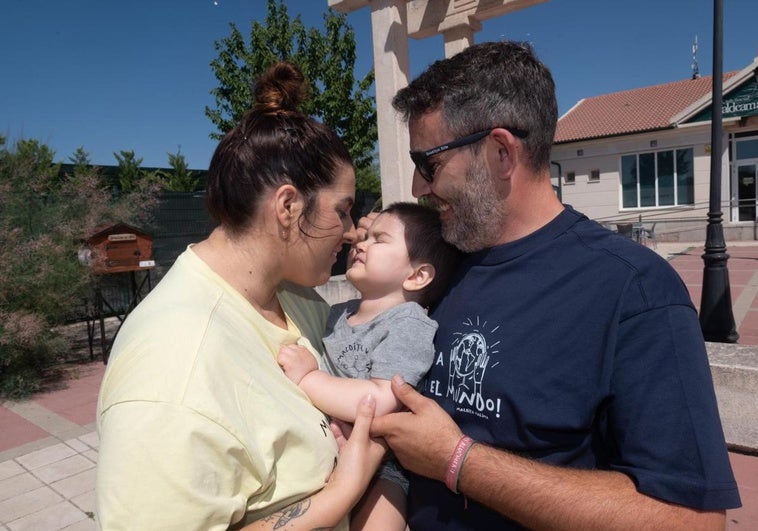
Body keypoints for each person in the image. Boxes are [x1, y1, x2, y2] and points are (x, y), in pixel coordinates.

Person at [368, 41, 742, 530]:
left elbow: (692, 520)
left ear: (500, 152)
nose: (418, 187)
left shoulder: (632, 290)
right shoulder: (440, 264)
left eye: (428, 163)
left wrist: (457, 460)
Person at [95, 62, 385, 531]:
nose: (352, 233)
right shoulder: (175, 369)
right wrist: (340, 494)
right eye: (344, 211)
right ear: (289, 207)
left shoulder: (297, 300)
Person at [277, 202, 461, 531]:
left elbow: (381, 398)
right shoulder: (336, 313)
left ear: (417, 276)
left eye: (379, 239)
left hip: (382, 467)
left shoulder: (408, 324)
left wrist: (308, 378)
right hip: (323, 453)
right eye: (364, 237)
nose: (360, 243)